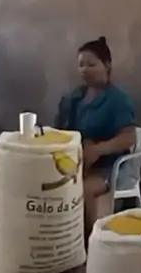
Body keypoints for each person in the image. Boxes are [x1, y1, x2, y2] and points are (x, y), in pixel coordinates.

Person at [54, 36, 136, 232]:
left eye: (91, 64)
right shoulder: (74, 98)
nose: (85, 70)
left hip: (108, 167)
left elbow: (129, 137)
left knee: (81, 190)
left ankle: (90, 241)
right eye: (81, 65)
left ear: (107, 65)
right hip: (76, 162)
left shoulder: (117, 100)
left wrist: (98, 150)